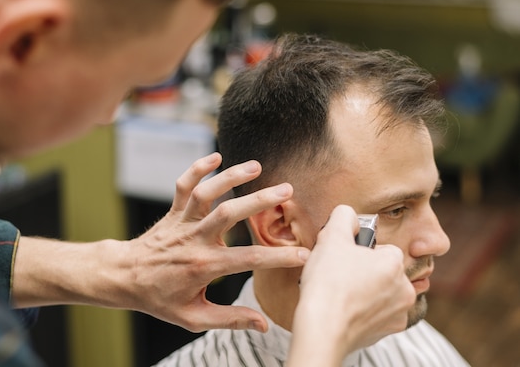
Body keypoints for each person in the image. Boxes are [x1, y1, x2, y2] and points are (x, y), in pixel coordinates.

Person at [0, 0, 415, 365]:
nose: (105, 116)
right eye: (129, 82)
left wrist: (118, 268)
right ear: (25, 41)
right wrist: (326, 333)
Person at [155, 34, 470, 366]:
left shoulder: (413, 343)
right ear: (281, 226)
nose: (438, 241)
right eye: (395, 210)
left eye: (431, 196)